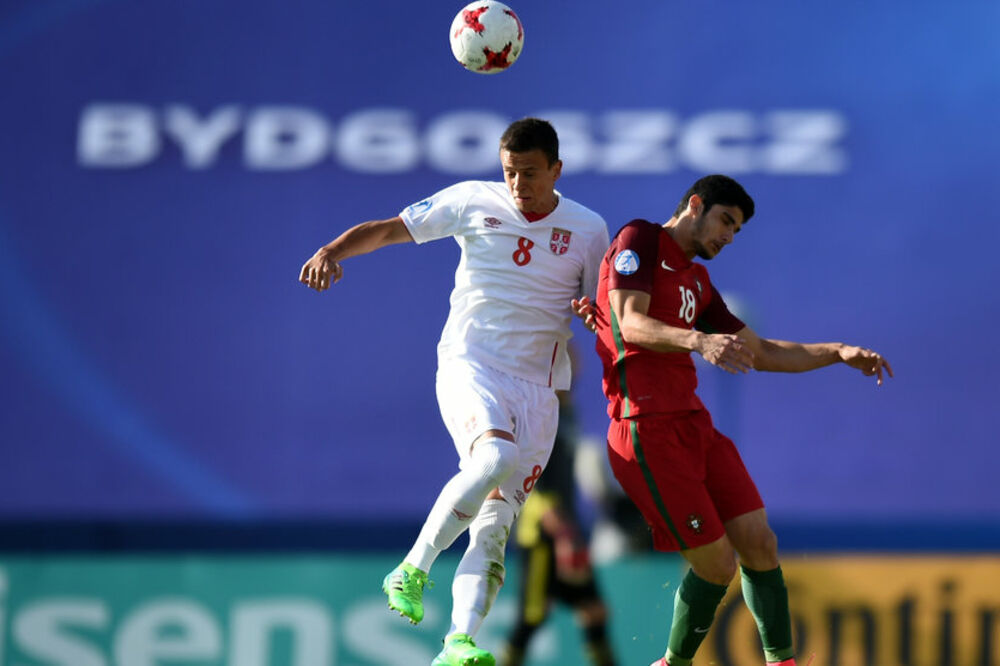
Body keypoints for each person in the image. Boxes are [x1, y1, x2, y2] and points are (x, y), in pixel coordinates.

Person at [299, 117, 609, 666]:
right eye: (510, 172)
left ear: (556, 170)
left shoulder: (588, 230)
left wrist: (593, 316)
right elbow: (392, 228)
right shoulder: (472, 200)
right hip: (473, 365)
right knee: (493, 456)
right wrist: (332, 251)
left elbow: (600, 310)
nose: (518, 185)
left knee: (494, 528)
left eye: (531, 174)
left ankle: (458, 642)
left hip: (539, 393)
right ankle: (412, 568)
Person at [581, 174, 892, 666]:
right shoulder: (639, 239)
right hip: (645, 429)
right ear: (696, 206)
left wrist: (837, 351)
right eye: (725, 220)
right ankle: (672, 663)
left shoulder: (698, 283)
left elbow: (763, 351)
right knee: (717, 565)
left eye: (736, 230)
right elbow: (631, 324)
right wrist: (698, 340)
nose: (728, 235)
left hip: (693, 426)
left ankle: (781, 661)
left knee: (760, 544)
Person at [498, 387, 617, 666]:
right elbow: (530, 472)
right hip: (541, 531)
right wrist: (560, 530)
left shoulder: (567, 411)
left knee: (594, 610)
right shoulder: (537, 410)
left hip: (567, 525)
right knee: (532, 615)